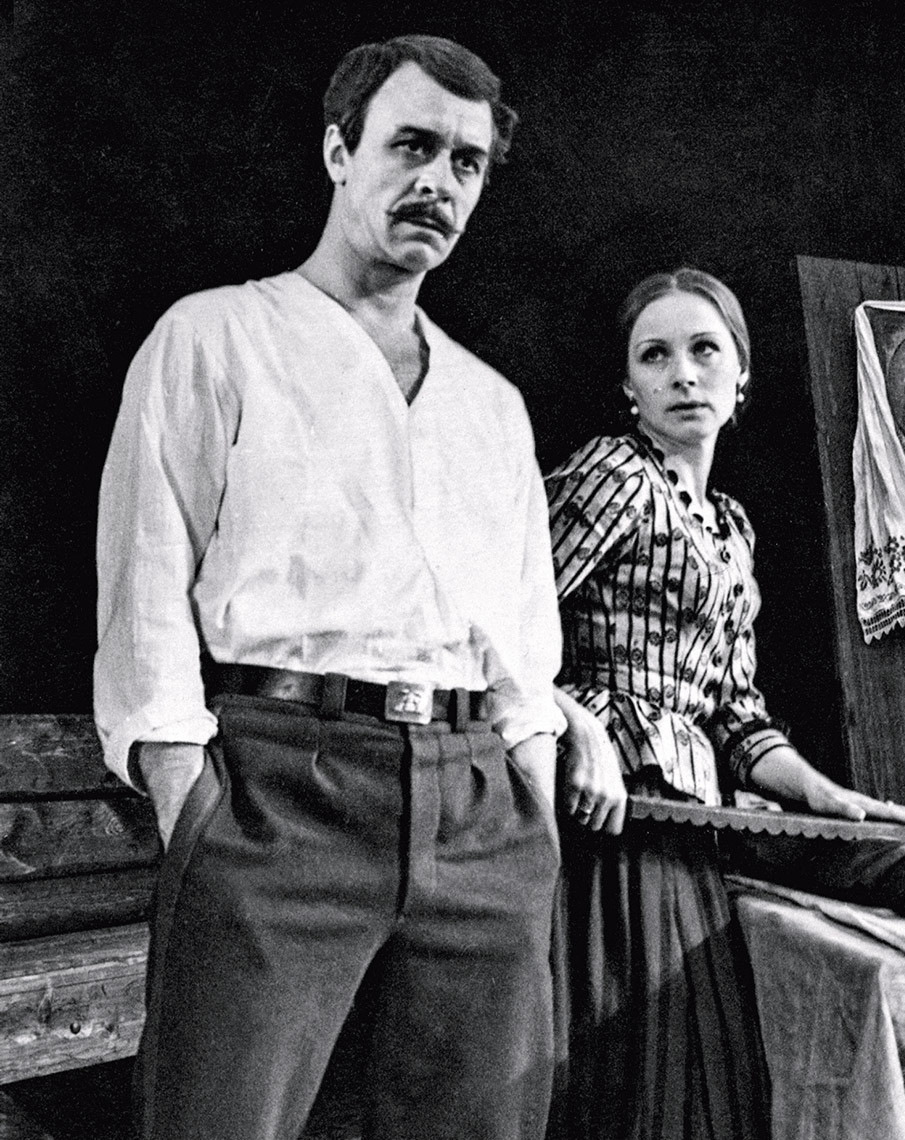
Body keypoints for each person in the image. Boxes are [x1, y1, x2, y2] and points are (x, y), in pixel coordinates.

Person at [94, 35, 564, 1140]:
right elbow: (145, 588)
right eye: (412, 145)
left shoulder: (491, 403)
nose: (439, 182)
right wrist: (191, 803)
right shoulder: (216, 336)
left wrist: (532, 813)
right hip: (279, 789)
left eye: (467, 163)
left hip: (477, 810)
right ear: (340, 151)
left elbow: (522, 640)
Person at [545, 268, 905, 1140]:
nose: (682, 374)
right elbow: (497, 619)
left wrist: (830, 799)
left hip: (690, 827)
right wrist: (575, 722)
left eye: (705, 350)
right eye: (655, 356)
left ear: (741, 375)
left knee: (702, 1085)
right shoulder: (612, 475)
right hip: (603, 823)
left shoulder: (730, 527)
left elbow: (736, 715)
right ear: (628, 386)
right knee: (623, 1082)